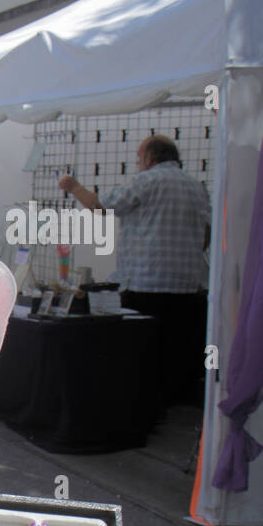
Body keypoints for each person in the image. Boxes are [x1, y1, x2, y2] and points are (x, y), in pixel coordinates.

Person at [59, 134, 211, 407]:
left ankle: (144, 410)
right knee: (178, 353)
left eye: (139, 158)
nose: (138, 163)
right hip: (189, 286)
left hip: (146, 283)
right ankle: (174, 407)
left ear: (151, 158)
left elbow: (99, 206)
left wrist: (73, 186)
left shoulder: (147, 181)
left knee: (143, 355)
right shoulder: (196, 187)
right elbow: (207, 234)